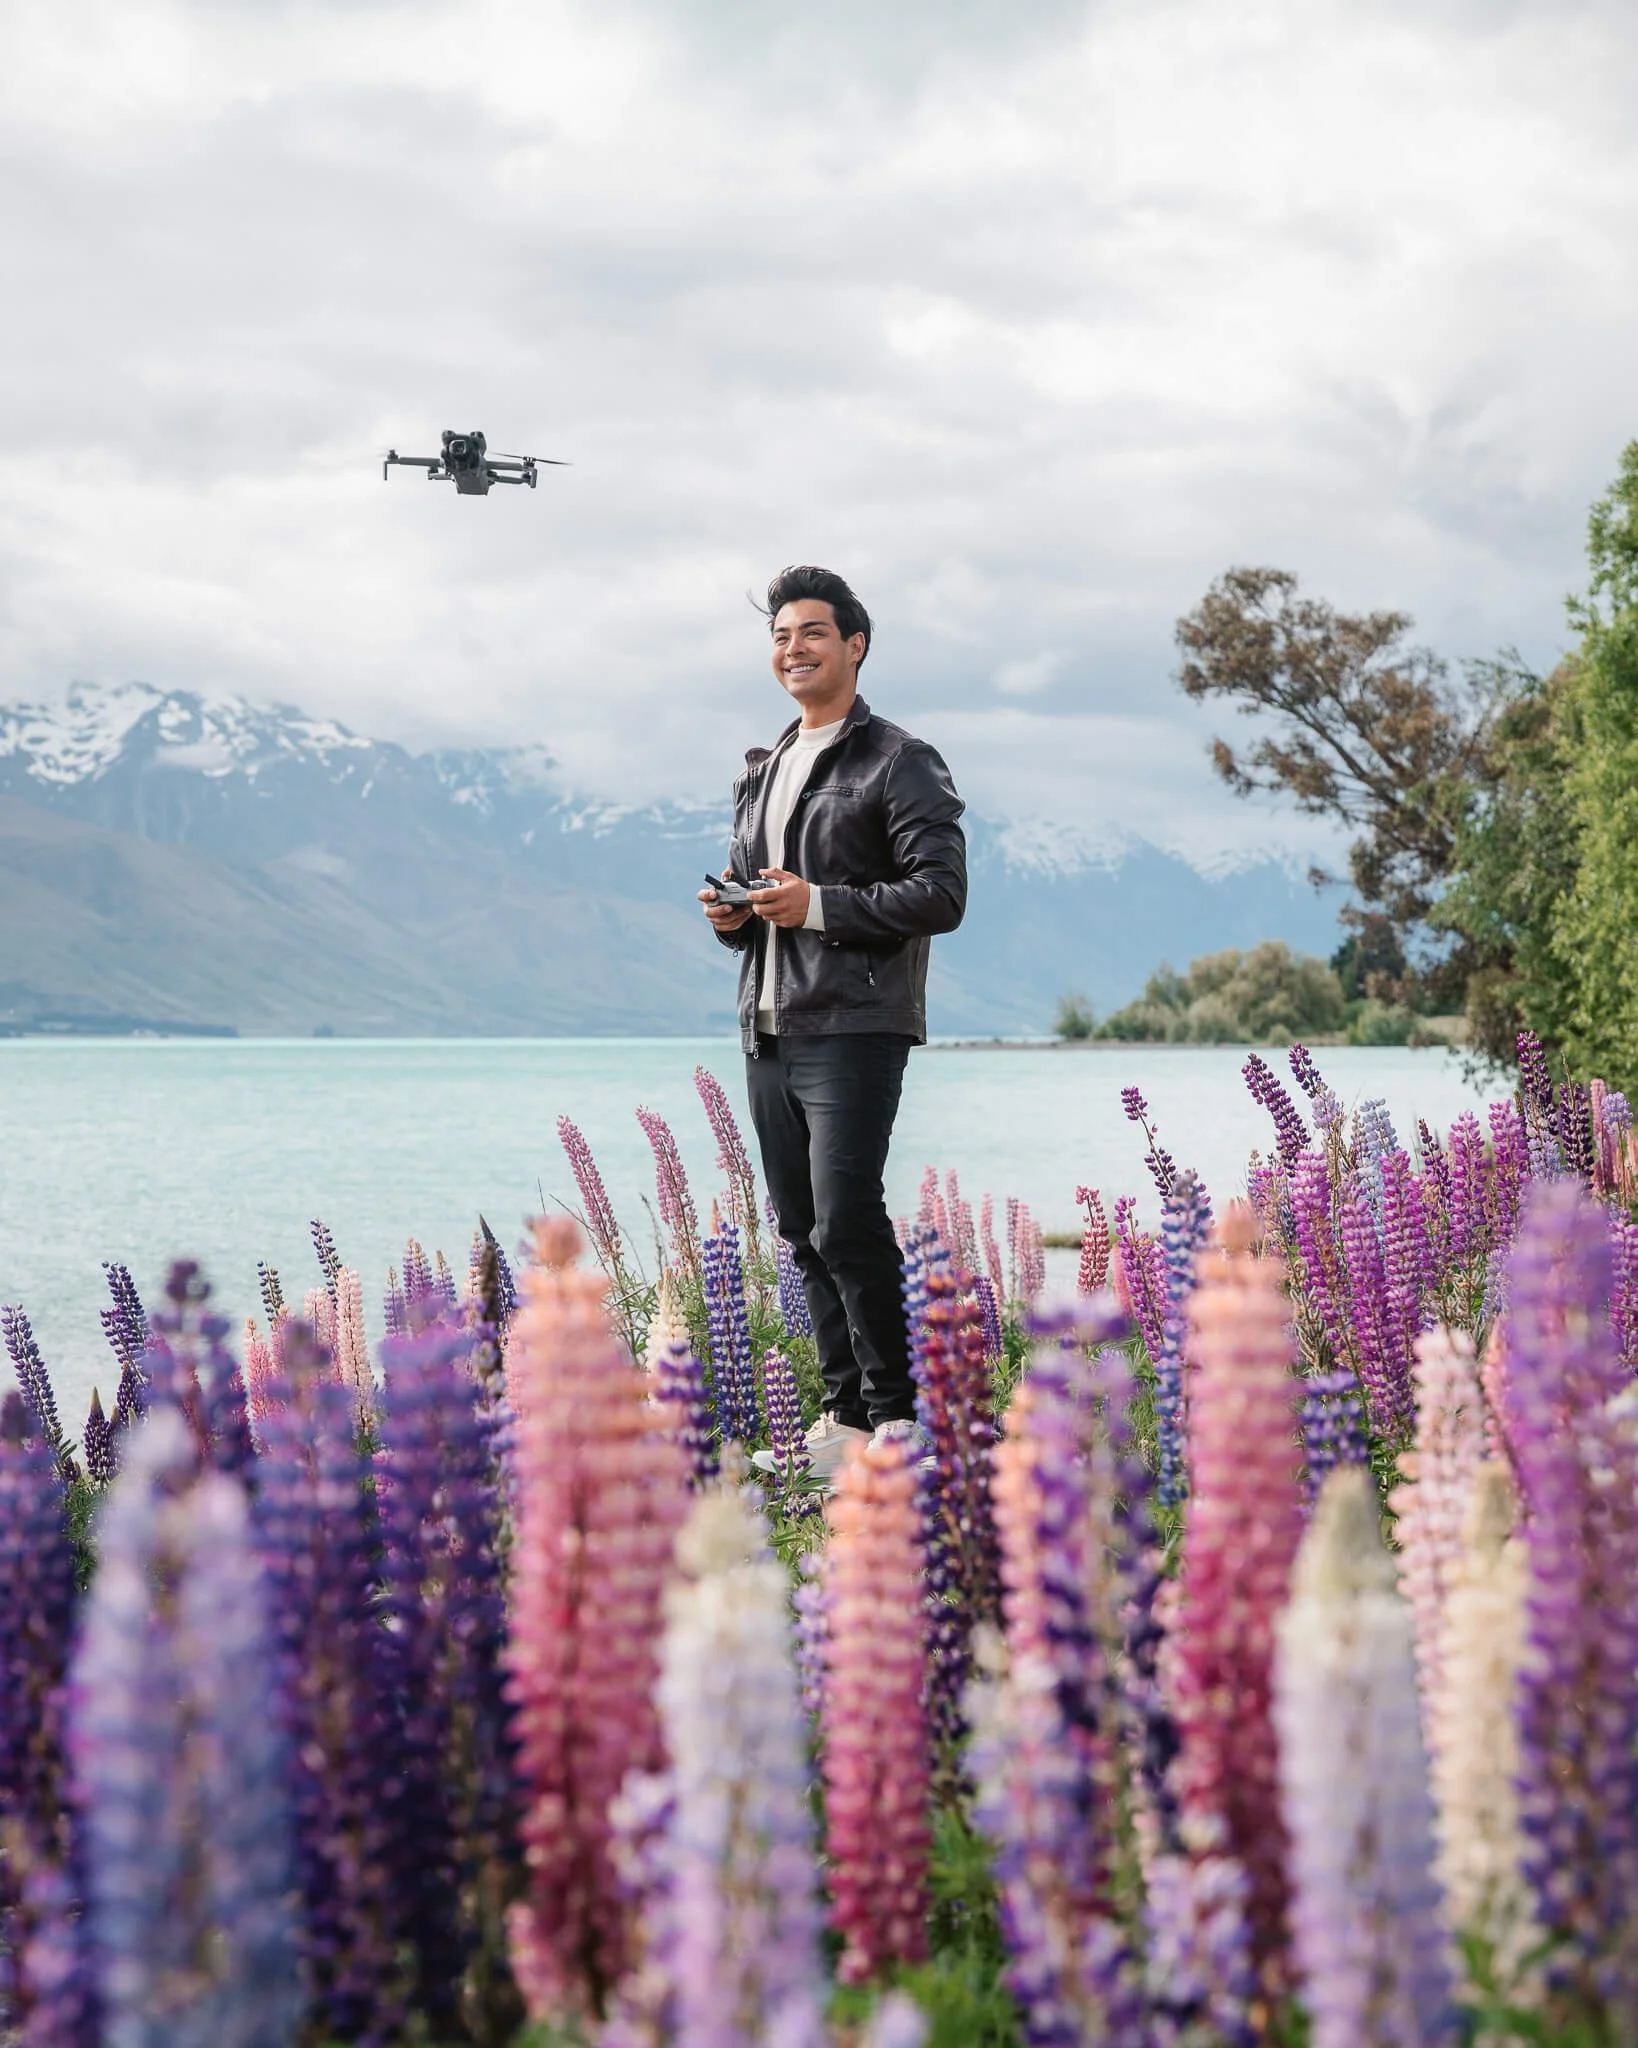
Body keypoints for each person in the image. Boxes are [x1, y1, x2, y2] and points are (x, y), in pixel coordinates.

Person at [699, 564, 967, 1481]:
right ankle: (844, 1418)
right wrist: (737, 916)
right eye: (779, 636)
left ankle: (901, 1418)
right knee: (801, 1225)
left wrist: (817, 905)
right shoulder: (763, 768)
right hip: (769, 1024)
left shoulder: (899, 759)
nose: (792, 649)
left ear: (855, 644)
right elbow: (771, 900)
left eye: (812, 632)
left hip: (856, 1023)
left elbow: (940, 895)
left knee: (849, 1219)